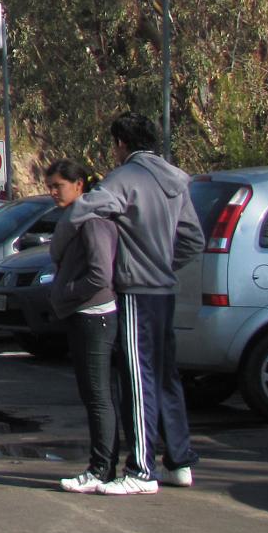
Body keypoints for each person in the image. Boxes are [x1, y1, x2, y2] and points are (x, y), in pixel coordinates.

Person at [68, 112, 203, 495]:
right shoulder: (176, 180)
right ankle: (179, 460)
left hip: (135, 292)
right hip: (164, 290)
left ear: (121, 144)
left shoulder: (124, 178)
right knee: (165, 375)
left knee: (137, 376)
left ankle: (142, 470)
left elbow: (83, 209)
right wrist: (164, 263)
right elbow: (193, 238)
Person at [45, 158, 123, 494]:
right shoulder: (77, 220)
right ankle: (103, 465)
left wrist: (68, 293)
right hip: (84, 315)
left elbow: (100, 275)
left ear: (79, 185)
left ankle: (101, 468)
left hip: (95, 316)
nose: (52, 193)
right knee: (94, 394)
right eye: (49, 186)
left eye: (58, 186)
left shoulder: (92, 222)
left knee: (98, 395)